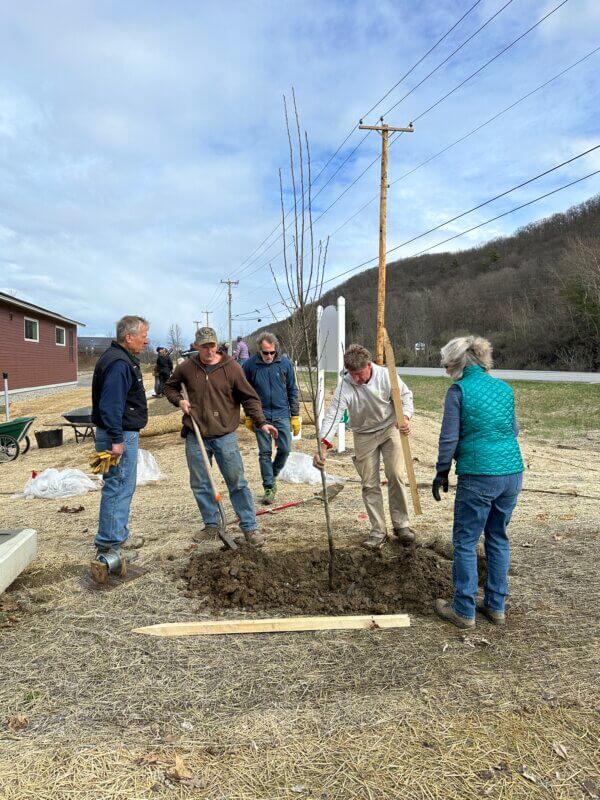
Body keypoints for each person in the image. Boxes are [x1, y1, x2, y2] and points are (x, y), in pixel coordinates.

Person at [432, 335, 523, 629]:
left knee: (466, 541)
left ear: (456, 363)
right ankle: (496, 607)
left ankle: (464, 610)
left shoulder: (459, 391)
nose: (446, 370)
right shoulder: (503, 388)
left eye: (447, 365)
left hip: (479, 475)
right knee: (497, 536)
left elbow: (449, 438)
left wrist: (442, 470)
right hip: (511, 473)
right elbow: (514, 429)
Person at [164, 326, 278, 547]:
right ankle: (212, 524)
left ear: (217, 345)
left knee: (237, 482)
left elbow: (250, 399)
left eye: (212, 345)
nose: (209, 350)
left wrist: (261, 422)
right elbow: (170, 387)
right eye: (204, 346)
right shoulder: (186, 368)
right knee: (200, 483)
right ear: (196, 346)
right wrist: (179, 400)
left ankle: (249, 527)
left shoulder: (232, 367)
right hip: (195, 435)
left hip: (224, 435)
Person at [313, 343, 415, 550]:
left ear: (369, 365)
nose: (356, 379)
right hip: (363, 434)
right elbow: (332, 416)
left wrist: (404, 417)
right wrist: (323, 445)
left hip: (389, 428)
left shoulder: (386, 376)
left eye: (359, 374)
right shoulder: (345, 385)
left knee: (396, 474)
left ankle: (402, 525)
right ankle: (378, 530)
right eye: (352, 374)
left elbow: (405, 397)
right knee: (369, 483)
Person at [91, 315, 150, 561]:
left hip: (120, 431)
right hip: (119, 434)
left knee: (121, 485)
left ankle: (117, 536)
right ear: (129, 337)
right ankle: (109, 545)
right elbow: (111, 405)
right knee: (118, 485)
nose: (146, 342)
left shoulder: (119, 358)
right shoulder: (118, 364)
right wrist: (117, 440)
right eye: (143, 336)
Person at [242, 332, 300, 505]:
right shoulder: (249, 366)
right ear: (259, 350)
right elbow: (245, 393)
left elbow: (292, 390)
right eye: (265, 352)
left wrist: (295, 415)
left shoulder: (285, 364)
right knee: (265, 453)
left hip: (282, 414)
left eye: (272, 352)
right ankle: (268, 487)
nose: (269, 356)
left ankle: (272, 474)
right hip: (261, 415)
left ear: (276, 350)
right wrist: (249, 416)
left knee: (285, 448)